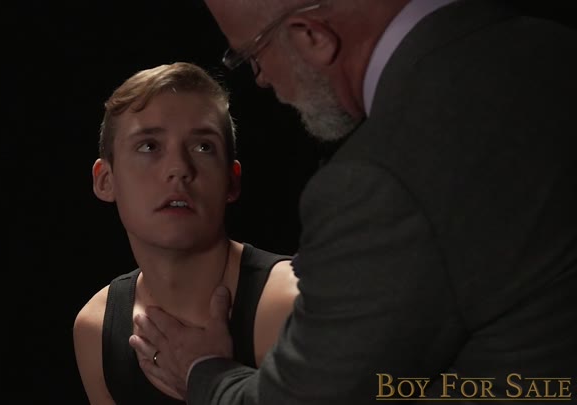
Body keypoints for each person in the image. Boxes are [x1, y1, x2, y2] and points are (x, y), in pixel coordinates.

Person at [131, 0, 577, 403]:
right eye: (149, 146)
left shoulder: (378, 180)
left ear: (312, 35)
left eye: (253, 55)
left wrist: (204, 372)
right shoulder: (553, 43)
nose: (261, 78)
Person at [72, 62, 299, 404]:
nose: (179, 168)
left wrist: (211, 377)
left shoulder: (292, 304)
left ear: (231, 181)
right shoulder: (96, 328)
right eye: (149, 146)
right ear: (106, 180)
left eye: (203, 147)